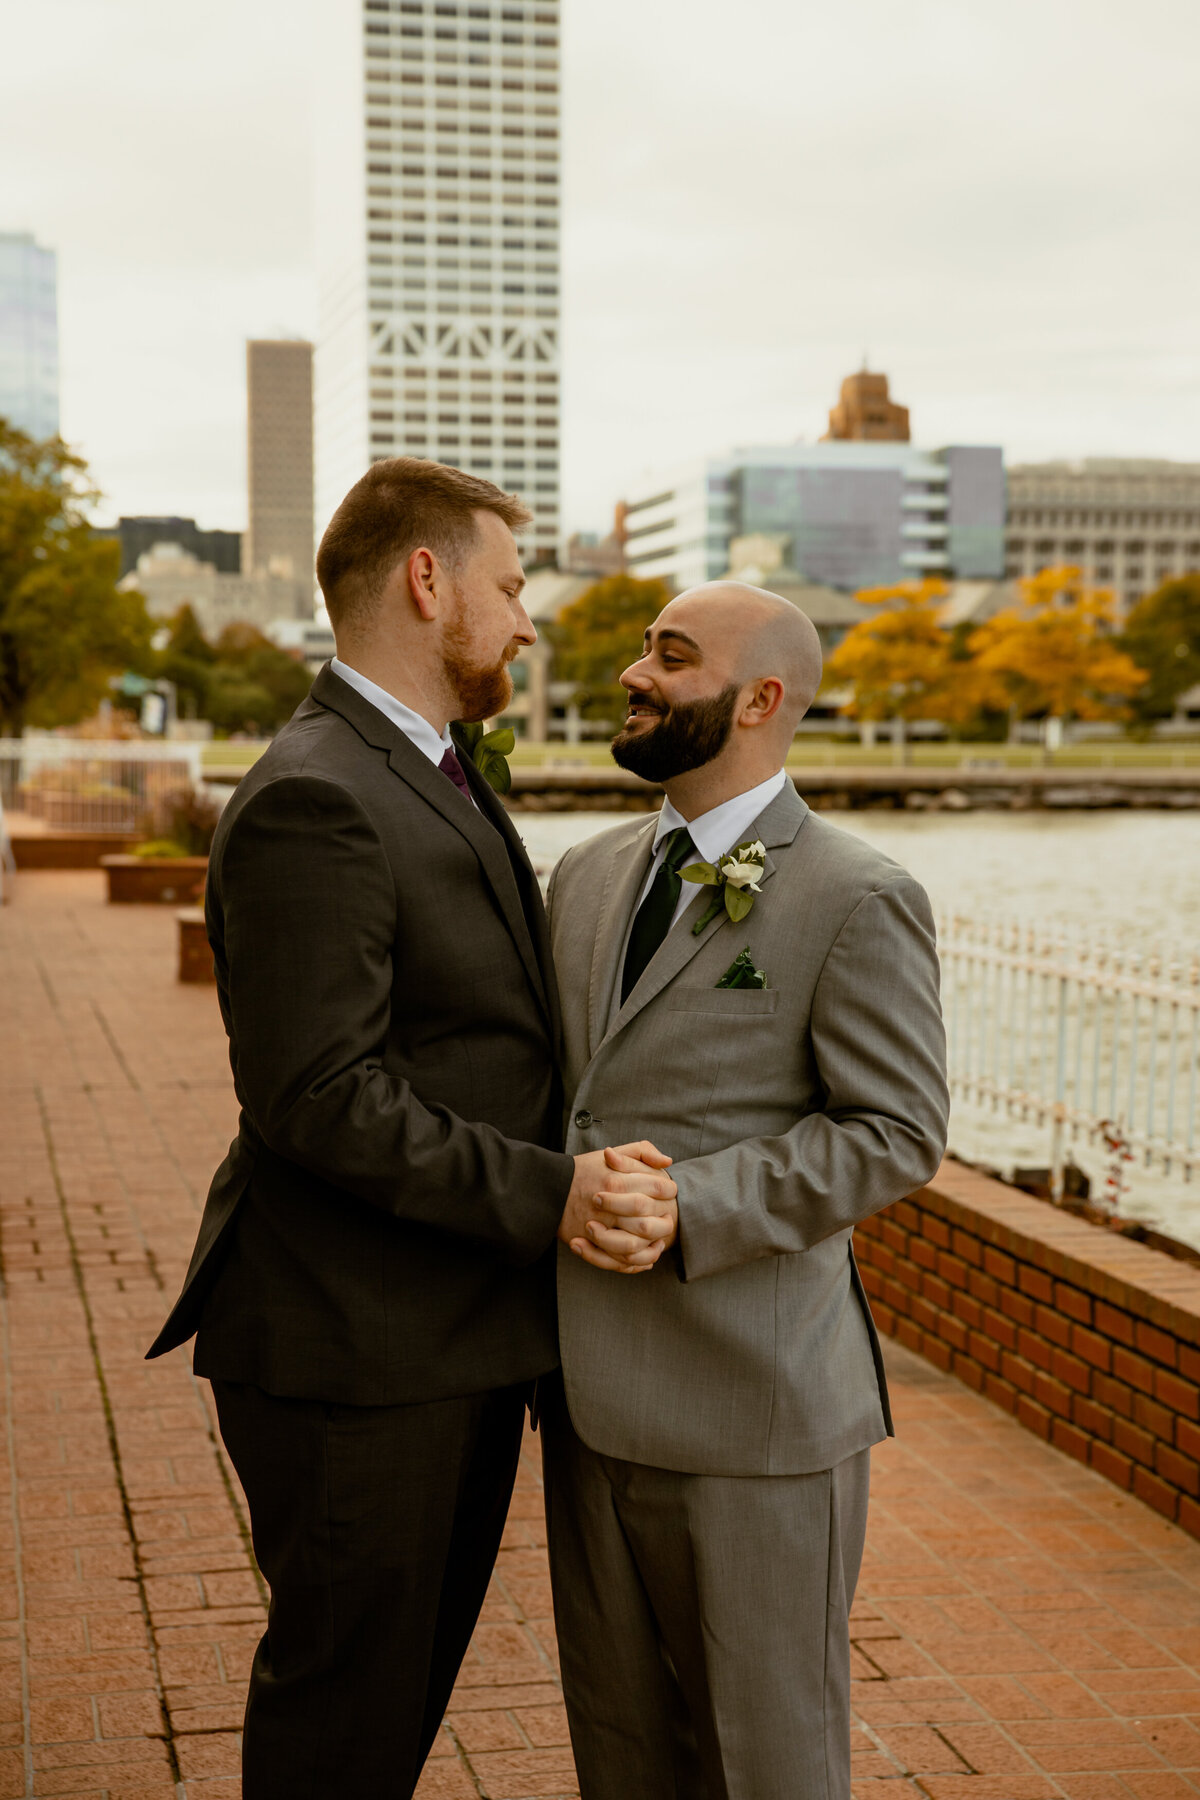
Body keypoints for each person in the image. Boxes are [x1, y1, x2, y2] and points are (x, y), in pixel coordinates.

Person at [146, 458, 677, 1800]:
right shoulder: (318, 794)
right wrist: (553, 1194)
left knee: (386, 1711)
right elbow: (319, 1096)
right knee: (346, 1723)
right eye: (508, 587)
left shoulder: (420, 764)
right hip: (354, 1354)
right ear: (424, 581)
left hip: (433, 1333)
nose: (527, 620)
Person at [542, 581, 950, 1800]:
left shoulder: (858, 896)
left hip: (758, 1418)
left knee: (766, 1764)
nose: (634, 672)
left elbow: (897, 1132)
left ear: (761, 699)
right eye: (642, 648)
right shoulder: (585, 873)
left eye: (671, 655)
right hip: (581, 1403)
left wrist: (696, 1206)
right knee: (621, 1755)